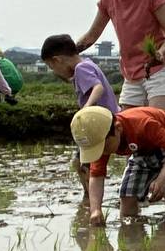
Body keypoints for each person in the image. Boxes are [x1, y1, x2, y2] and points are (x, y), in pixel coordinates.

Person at [71, 105, 165, 224]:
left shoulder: (143, 125)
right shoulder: (100, 139)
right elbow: (96, 176)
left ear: (118, 129)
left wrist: (162, 179)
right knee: (126, 194)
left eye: (104, 147)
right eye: (97, 149)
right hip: (143, 150)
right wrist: (95, 209)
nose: (102, 153)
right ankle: (131, 234)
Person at [41, 34, 120, 203]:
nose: (54, 71)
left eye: (50, 66)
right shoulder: (87, 64)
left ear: (57, 60)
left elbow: (97, 88)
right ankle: (90, 196)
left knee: (82, 163)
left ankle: (90, 199)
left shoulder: (80, 69)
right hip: (109, 119)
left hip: (99, 124)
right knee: (83, 163)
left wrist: (85, 109)